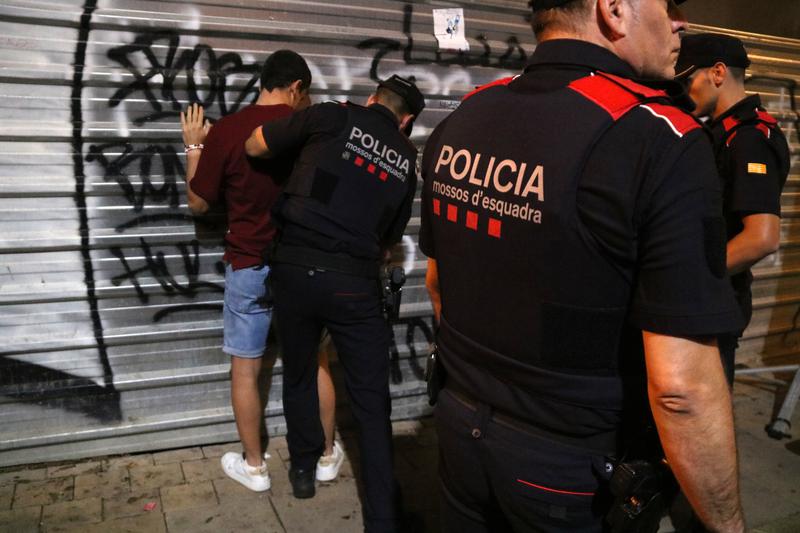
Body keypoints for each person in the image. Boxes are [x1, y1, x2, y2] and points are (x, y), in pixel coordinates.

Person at [421, 1, 746, 531]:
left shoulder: (466, 114)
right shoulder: (659, 139)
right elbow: (680, 389)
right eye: (669, 6)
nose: (681, 23)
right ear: (615, 10)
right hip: (572, 473)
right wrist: (728, 525)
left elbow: (441, 285)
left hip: (458, 430)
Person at [245, 74, 424, 532]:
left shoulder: (331, 114)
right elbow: (387, 241)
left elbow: (255, 146)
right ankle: (383, 517)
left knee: (300, 369)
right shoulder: (405, 159)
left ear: (371, 100)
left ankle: (303, 471)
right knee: (370, 400)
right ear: (405, 123)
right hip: (354, 286)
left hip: (295, 272)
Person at [180, 49, 340, 492]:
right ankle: (327, 455)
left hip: (248, 265)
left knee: (246, 369)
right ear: (296, 89)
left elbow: (198, 203)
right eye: (305, 98)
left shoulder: (229, 131)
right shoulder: (310, 137)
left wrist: (194, 146)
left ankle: (255, 467)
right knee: (315, 360)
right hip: (302, 268)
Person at [676, 33, 790, 384]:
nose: (682, 91)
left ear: (718, 72)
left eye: (687, 80)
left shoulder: (749, 139)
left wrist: (686, 280)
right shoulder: (722, 133)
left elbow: (762, 238)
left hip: (711, 303)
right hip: (704, 301)